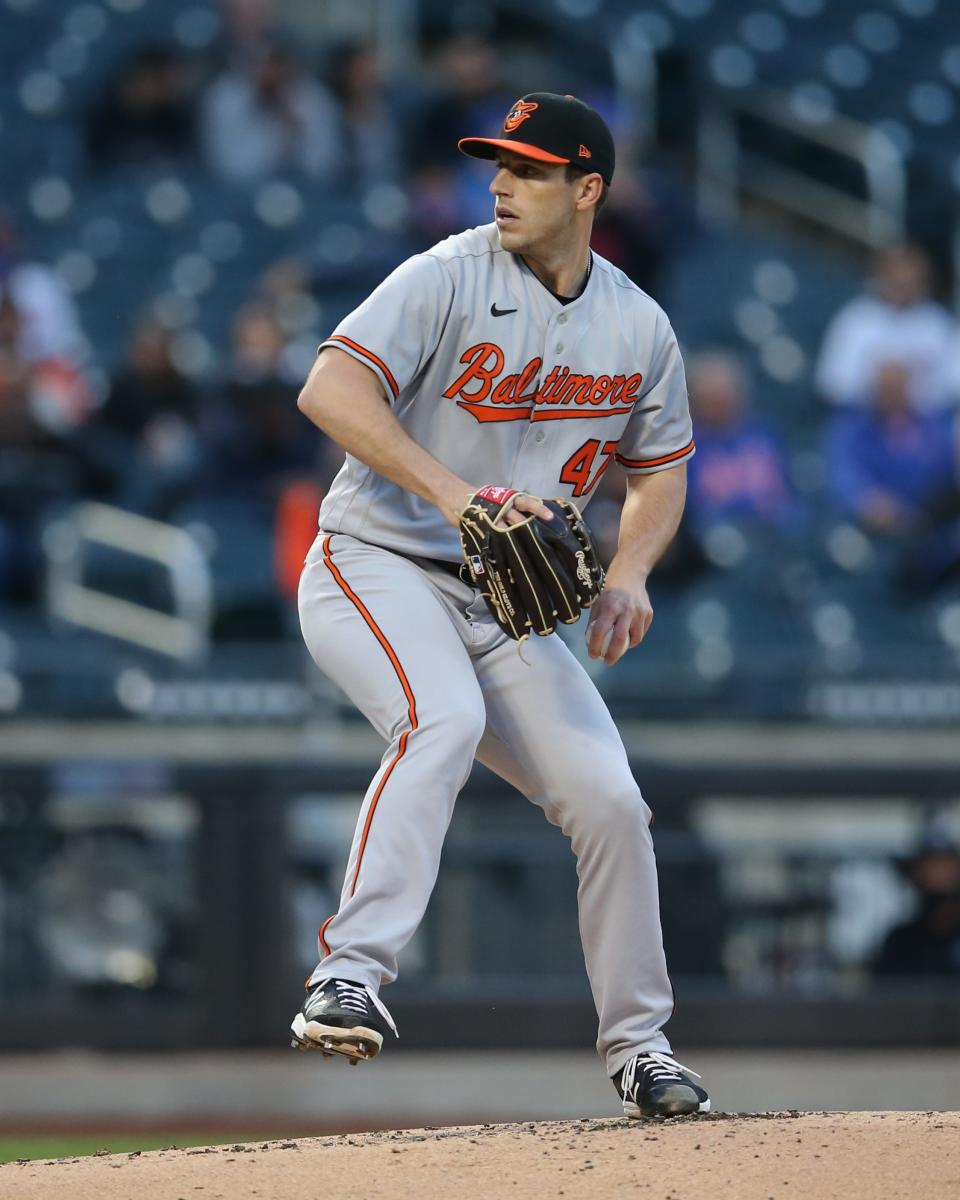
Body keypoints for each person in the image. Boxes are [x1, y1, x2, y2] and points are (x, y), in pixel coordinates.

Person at [291, 94, 710, 1120]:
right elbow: (328, 392)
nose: (502, 184)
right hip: (377, 561)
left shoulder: (636, 323)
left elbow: (660, 471)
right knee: (443, 720)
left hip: (501, 604)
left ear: (588, 190)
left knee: (609, 800)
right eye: (498, 166)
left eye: (529, 169)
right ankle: (350, 974)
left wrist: (631, 574)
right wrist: (453, 495)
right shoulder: (442, 275)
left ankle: (640, 1049)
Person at [814, 242, 957, 412]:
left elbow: (954, 385)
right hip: (864, 417)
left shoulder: (938, 324)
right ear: (881, 278)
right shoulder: (856, 318)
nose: (904, 287)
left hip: (924, 420)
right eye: (897, 281)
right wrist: (879, 385)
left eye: (911, 282)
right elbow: (831, 383)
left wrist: (909, 388)